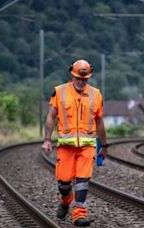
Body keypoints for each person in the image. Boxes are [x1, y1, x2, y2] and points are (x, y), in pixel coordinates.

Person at [41, 59, 108, 227]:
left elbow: (99, 122)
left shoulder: (96, 95)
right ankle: (65, 200)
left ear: (88, 78)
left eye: (84, 79)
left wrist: (104, 145)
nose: (81, 81)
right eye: (78, 78)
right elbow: (51, 116)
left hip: (87, 147)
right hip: (66, 147)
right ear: (72, 75)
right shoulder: (60, 91)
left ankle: (79, 215)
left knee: (82, 181)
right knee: (63, 183)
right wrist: (47, 140)